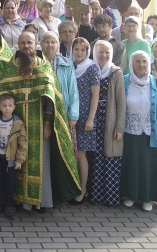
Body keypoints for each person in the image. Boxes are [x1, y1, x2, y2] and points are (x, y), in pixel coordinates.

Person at [0, 32, 81, 211]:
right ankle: (15, 200)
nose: (26, 46)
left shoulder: (43, 65)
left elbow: (51, 99)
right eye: (23, 43)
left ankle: (40, 201)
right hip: (14, 123)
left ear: (35, 44)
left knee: (40, 162)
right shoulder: (11, 66)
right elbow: (0, 91)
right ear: (18, 44)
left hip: (38, 122)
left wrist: (48, 124)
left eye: (29, 42)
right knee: (15, 159)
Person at [120, 51, 157, 211]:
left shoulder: (156, 83)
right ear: (131, 63)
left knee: (149, 166)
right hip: (130, 131)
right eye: (138, 61)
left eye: (144, 61)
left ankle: (148, 198)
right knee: (131, 164)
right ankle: (131, 195)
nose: (141, 65)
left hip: (152, 131)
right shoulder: (124, 81)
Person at [87, 40, 125, 207]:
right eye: (100, 52)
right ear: (95, 53)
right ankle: (95, 196)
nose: (103, 56)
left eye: (107, 53)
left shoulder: (115, 72)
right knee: (94, 158)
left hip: (109, 119)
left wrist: (119, 127)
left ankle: (110, 198)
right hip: (93, 119)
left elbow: (121, 102)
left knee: (110, 158)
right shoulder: (90, 69)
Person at [0, 94, 27, 220]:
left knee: (10, 184)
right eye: (4, 106)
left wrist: (19, 160)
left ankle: (9, 206)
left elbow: (23, 143)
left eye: (10, 106)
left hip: (11, 160)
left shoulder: (18, 123)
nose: (7, 108)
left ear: (14, 107)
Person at [69, 37, 99, 205]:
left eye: (82, 50)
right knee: (72, 153)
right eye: (76, 49)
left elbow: (95, 95)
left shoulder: (91, 67)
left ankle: (83, 189)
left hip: (85, 116)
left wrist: (90, 118)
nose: (79, 53)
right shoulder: (71, 66)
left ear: (87, 52)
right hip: (71, 115)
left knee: (81, 154)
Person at [40, 31, 79, 127]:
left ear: (58, 44)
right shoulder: (36, 62)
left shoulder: (67, 63)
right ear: (41, 44)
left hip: (62, 110)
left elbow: (73, 90)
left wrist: (73, 115)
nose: (50, 45)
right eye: (46, 42)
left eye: (53, 42)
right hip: (41, 111)